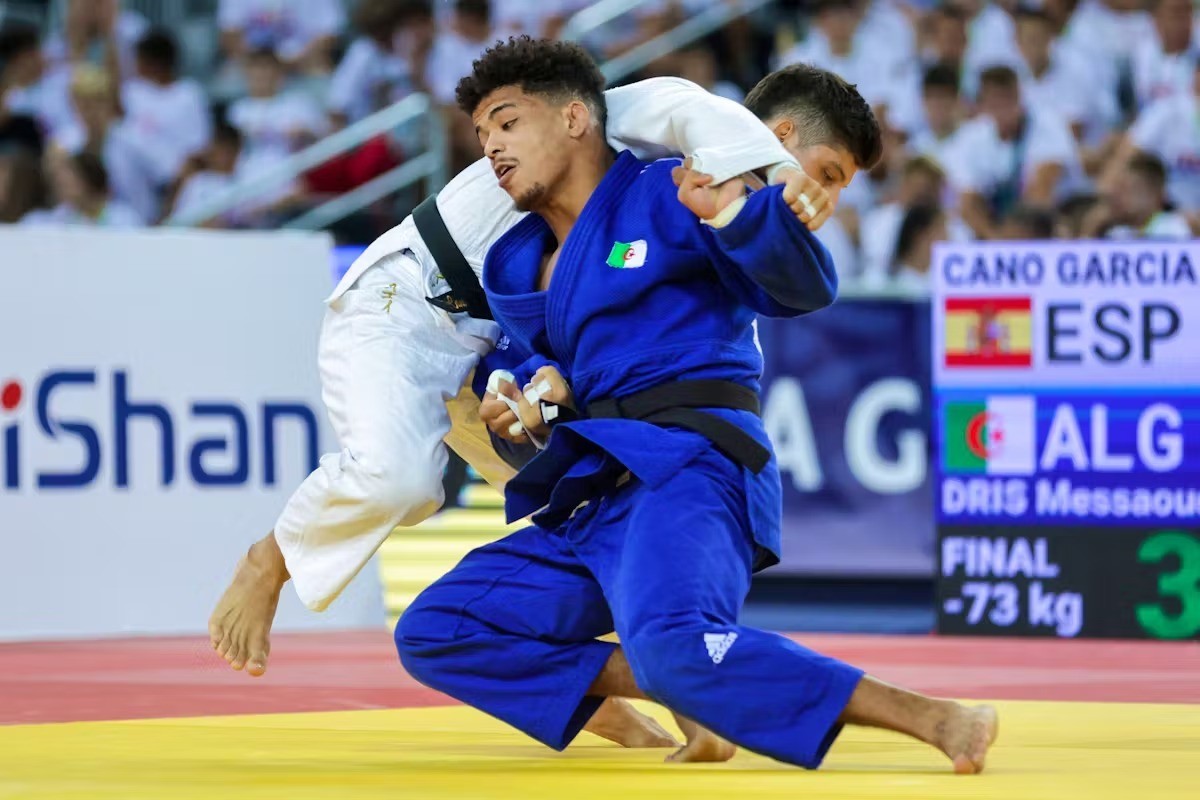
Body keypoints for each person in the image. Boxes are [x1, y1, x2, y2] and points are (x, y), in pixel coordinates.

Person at [395, 37, 997, 774]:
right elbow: (530, 391)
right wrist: (521, 407)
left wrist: (739, 212)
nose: (491, 145)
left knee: (673, 642)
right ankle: (688, 688)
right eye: (483, 131)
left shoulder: (671, 189)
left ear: (575, 118)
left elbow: (804, 287)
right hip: (596, 496)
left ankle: (935, 716)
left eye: (509, 123)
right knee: (438, 628)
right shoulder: (515, 260)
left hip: (690, 464)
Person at [207, 72, 815, 737]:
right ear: (777, 135)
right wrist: (783, 177)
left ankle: (628, 692)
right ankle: (270, 559)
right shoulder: (611, 119)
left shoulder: (670, 192)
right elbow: (686, 103)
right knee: (397, 479)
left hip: (492, 340)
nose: (822, 196)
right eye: (827, 173)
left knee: (596, 508)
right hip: (408, 300)